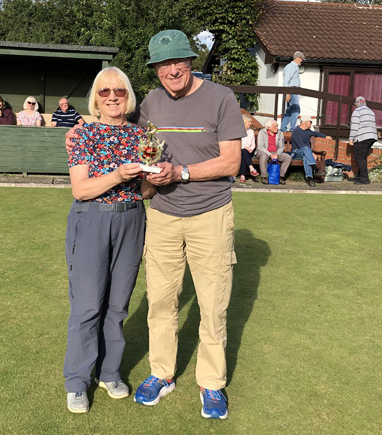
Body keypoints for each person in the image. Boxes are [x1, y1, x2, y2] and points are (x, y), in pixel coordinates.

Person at [126, 29, 244, 420]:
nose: (171, 70)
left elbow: (231, 162)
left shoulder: (221, 98)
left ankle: (211, 383)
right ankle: (162, 373)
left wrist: (181, 173)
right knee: (160, 300)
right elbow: (139, 149)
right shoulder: (150, 104)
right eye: (163, 64)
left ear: (191, 62)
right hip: (161, 215)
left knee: (212, 305)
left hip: (210, 214)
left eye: (178, 61)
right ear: (155, 68)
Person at [63, 67, 155, 414]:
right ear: (96, 98)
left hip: (131, 217)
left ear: (129, 95)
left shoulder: (142, 136)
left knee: (117, 305)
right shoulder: (83, 134)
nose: (113, 96)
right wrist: (118, 174)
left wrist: (154, 179)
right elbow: (81, 188)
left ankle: (110, 371)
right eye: (104, 91)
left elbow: (144, 190)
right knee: (88, 306)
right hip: (92, 221)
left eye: (119, 90)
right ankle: (77, 380)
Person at [290, 115, 331, 187]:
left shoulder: (308, 131)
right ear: (305, 122)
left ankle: (309, 178)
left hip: (305, 153)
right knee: (306, 149)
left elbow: (316, 133)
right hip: (296, 152)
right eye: (310, 122)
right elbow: (301, 145)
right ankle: (315, 168)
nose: (311, 123)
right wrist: (312, 154)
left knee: (306, 158)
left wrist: (325, 136)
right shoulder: (296, 131)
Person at [348, 96, 377, 185]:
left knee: (359, 158)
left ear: (357, 103)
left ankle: (364, 179)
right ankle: (360, 177)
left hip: (362, 137)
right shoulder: (371, 111)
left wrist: (351, 138)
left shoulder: (357, 111)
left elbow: (355, 125)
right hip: (372, 137)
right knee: (363, 157)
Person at [256, 119, 292, 185]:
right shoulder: (262, 132)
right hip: (264, 151)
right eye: (275, 126)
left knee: (288, 157)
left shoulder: (280, 133)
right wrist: (270, 154)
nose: (277, 128)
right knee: (263, 156)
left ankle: (281, 177)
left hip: (276, 152)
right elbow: (260, 147)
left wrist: (277, 154)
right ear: (269, 128)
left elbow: (281, 146)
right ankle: (264, 177)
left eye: (277, 126)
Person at [280, 51, 305, 132]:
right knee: (296, 110)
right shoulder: (291, 67)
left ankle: (283, 128)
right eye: (301, 59)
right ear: (297, 58)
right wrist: (287, 93)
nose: (301, 60)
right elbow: (286, 80)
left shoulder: (294, 67)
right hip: (291, 90)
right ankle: (292, 129)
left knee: (289, 110)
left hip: (293, 91)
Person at [238, 114, 258, 182]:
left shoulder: (251, 131)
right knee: (243, 151)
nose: (250, 123)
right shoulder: (239, 131)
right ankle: (251, 168)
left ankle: (243, 176)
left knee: (244, 153)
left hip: (249, 151)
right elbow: (238, 144)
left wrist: (251, 149)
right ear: (244, 122)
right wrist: (245, 147)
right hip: (239, 150)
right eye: (249, 122)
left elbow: (253, 144)